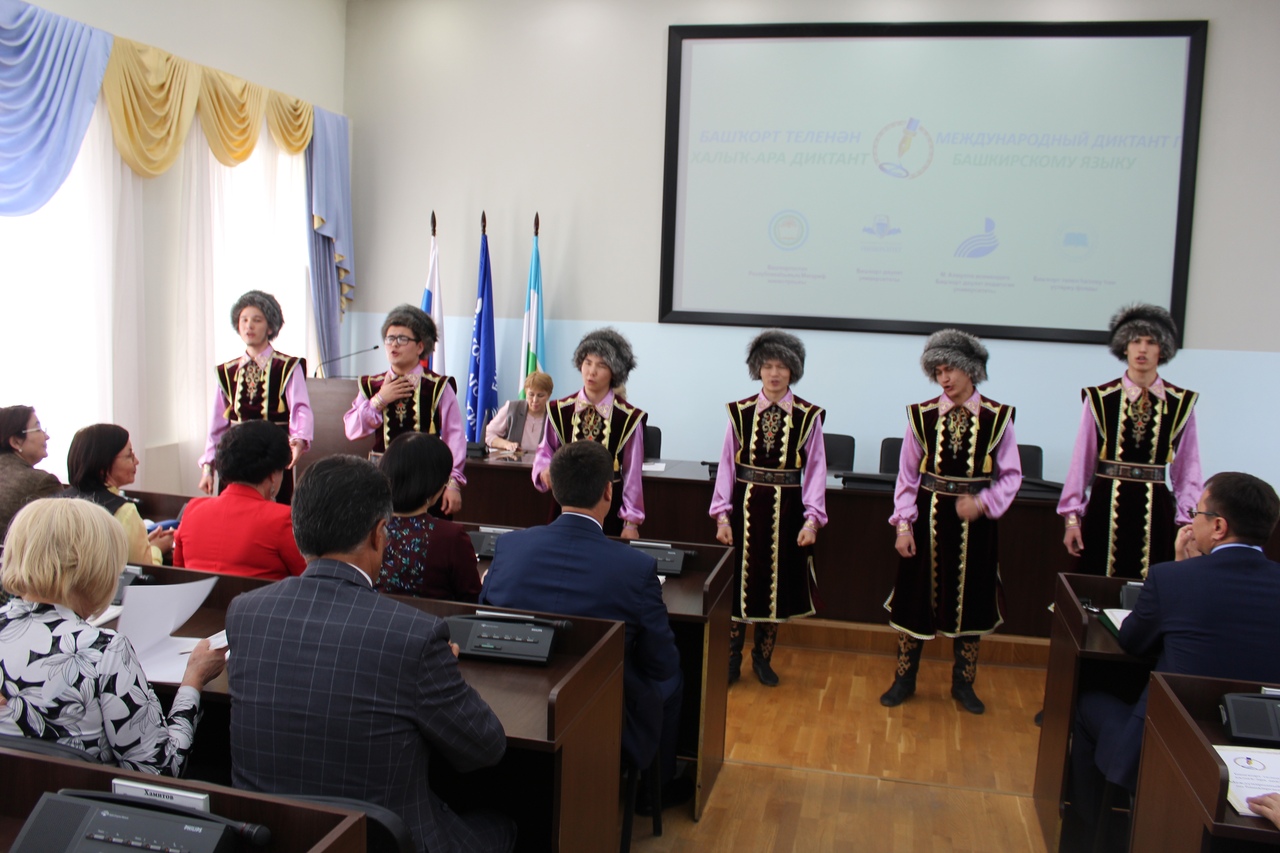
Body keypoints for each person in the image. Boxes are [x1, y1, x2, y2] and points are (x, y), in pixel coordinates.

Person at [226, 455, 513, 853]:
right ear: (380, 534)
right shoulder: (414, 636)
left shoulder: (245, 613)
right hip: (382, 842)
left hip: (274, 838)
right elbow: (486, 747)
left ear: (297, 529)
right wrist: (442, 671)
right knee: (507, 823)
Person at [482, 440, 690, 812]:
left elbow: (484, 618)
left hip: (512, 701)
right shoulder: (636, 568)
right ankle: (653, 791)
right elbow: (661, 663)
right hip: (600, 706)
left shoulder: (510, 547)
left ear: (554, 488)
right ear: (609, 492)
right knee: (673, 680)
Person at [1068, 472, 1280, 830]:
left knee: (1089, 703)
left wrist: (1183, 568)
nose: (1191, 523)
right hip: (1262, 747)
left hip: (1171, 745)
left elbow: (1133, 641)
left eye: (1196, 514)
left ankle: (1091, 834)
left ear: (1218, 527)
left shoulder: (1171, 578)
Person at [0, 499, 226, 775]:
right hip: (80, 798)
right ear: (97, 568)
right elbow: (161, 770)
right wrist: (193, 680)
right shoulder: (104, 651)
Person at [880, 330, 1022, 715]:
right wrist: (903, 526)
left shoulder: (997, 418)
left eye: (951, 370)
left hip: (976, 526)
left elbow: (1011, 476)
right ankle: (904, 679)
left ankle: (963, 683)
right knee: (915, 598)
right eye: (938, 371)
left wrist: (984, 502)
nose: (944, 378)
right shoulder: (921, 416)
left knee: (972, 599)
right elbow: (907, 476)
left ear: (970, 370)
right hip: (927, 520)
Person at [708, 330, 827, 687]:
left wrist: (812, 520)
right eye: (768, 366)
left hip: (788, 512)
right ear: (757, 369)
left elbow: (816, 470)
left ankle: (763, 658)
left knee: (774, 588)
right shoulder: (740, 412)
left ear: (793, 371)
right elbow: (726, 465)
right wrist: (722, 516)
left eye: (782, 367)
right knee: (738, 586)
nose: (775, 373)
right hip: (745, 509)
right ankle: (731, 660)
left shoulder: (808, 416)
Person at [1058, 303, 1201, 579]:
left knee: (1153, 583)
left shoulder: (1181, 403)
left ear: (1163, 349)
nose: (1142, 349)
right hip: (1105, 505)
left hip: (1155, 509)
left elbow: (1188, 470)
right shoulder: (1100, 399)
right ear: (1125, 346)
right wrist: (1072, 519)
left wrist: (1188, 523)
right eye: (1135, 341)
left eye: (1151, 342)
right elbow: (1081, 463)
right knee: (1096, 585)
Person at [344, 304, 467, 516]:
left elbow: (454, 437)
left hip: (428, 480)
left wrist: (453, 483)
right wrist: (379, 400)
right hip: (383, 480)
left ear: (420, 346)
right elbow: (352, 430)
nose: (394, 344)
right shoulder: (372, 385)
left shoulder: (437, 386)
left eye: (402, 339)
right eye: (389, 338)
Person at [531, 327, 646, 539]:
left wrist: (631, 522)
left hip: (609, 510)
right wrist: (544, 469)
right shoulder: (559, 410)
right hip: (565, 508)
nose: (591, 371)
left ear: (615, 372)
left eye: (601, 365)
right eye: (587, 362)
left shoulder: (629, 418)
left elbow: (632, 475)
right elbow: (545, 450)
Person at [199, 290, 313, 500]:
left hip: (273, 455)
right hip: (235, 458)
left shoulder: (287, 367)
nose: (248, 326)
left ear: (270, 327)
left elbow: (300, 409)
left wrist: (298, 440)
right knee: (234, 511)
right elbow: (217, 426)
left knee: (273, 513)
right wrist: (208, 467)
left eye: (257, 320)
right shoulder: (227, 372)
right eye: (244, 320)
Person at [174, 421, 306, 580]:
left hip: (199, 597)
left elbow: (178, 575)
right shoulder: (282, 519)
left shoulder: (192, 509)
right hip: (261, 597)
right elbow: (309, 578)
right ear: (273, 475)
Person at [376, 432, 481, 601]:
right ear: (434, 485)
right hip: (435, 618)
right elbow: (471, 598)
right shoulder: (451, 536)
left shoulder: (367, 529)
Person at [63, 424, 170, 565]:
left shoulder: (56, 503)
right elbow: (143, 572)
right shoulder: (124, 513)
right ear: (103, 465)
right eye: (129, 456)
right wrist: (156, 549)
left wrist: (144, 545)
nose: (136, 461)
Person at [0, 406, 60, 544]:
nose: (46, 436)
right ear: (16, 442)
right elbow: (62, 538)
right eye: (38, 429)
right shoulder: (42, 482)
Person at [484, 370, 553, 454]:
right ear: (525, 392)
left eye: (540, 395)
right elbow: (487, 434)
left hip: (543, 461)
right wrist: (506, 444)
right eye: (531, 394)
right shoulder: (512, 408)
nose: (535, 400)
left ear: (549, 395)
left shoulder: (554, 415)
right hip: (511, 461)